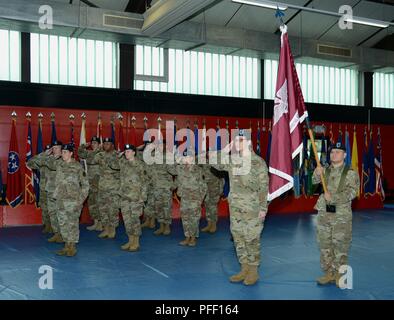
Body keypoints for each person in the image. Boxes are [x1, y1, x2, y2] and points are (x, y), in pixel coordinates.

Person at [209, 129, 269, 286]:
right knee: (238, 238)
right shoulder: (233, 160)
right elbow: (213, 162)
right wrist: (226, 149)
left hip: (252, 208)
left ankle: (253, 271)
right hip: (235, 208)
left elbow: (264, 187)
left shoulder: (258, 163)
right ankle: (244, 268)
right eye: (236, 141)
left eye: (240, 140)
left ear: (248, 142)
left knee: (252, 239)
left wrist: (263, 208)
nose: (237, 143)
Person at [312, 141, 360, 287]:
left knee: (341, 246)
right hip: (324, 214)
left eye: (338, 152)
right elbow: (314, 182)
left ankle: (341, 275)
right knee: (324, 245)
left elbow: (352, 192)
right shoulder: (325, 170)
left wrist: (334, 198)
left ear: (344, 155)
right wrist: (316, 173)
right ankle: (329, 273)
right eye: (332, 152)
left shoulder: (350, 173)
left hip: (341, 216)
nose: (334, 154)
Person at [45, 144, 89, 257]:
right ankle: (66, 245)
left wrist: (81, 200)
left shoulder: (78, 167)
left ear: (71, 153)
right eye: (62, 152)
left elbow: (85, 185)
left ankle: (72, 247)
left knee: (72, 224)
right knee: (63, 223)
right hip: (60, 199)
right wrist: (47, 154)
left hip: (73, 201)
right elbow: (44, 162)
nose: (63, 154)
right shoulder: (58, 164)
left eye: (65, 152)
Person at [109, 144, 147, 251]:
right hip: (124, 197)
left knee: (134, 220)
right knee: (127, 220)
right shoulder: (123, 163)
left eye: (129, 151)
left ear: (134, 152)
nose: (127, 153)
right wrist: (118, 155)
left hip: (136, 197)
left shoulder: (140, 165)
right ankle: (130, 240)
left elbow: (145, 182)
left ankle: (136, 242)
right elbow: (112, 164)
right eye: (125, 152)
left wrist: (142, 197)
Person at [27, 140, 64, 243]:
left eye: (57, 147)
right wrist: (43, 154)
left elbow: (54, 166)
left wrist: (45, 159)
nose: (54, 149)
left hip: (59, 191)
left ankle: (62, 233)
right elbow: (30, 162)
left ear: (61, 149)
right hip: (47, 189)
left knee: (59, 213)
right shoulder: (47, 158)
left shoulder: (64, 159)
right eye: (53, 147)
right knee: (51, 212)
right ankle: (56, 232)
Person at [169, 150, 207, 247]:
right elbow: (169, 169)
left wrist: (200, 199)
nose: (187, 159)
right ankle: (187, 237)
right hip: (184, 198)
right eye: (185, 157)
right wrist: (175, 160)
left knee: (194, 219)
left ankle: (193, 238)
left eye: (189, 157)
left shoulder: (198, 170)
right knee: (185, 218)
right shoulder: (180, 168)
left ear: (193, 158)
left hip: (195, 199)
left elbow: (203, 186)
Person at [92, 137, 120, 239]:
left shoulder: (118, 155)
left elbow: (119, 167)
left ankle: (112, 229)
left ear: (112, 145)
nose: (106, 145)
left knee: (112, 209)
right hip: (102, 187)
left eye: (108, 143)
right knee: (103, 209)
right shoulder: (100, 155)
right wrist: (97, 149)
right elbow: (92, 160)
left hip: (113, 188)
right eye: (105, 143)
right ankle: (106, 229)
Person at [144, 141, 174, 236]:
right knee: (159, 208)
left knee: (167, 207)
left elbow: (176, 172)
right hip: (156, 186)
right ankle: (161, 226)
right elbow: (148, 169)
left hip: (166, 187)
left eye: (162, 145)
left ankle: (167, 227)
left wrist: (173, 185)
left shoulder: (169, 157)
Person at [78, 136, 102, 231]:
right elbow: (79, 153)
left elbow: (93, 160)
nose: (93, 144)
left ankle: (101, 223)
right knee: (92, 202)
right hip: (90, 181)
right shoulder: (89, 153)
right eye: (92, 143)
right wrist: (84, 145)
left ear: (99, 144)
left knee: (98, 202)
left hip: (98, 181)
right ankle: (95, 222)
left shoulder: (101, 153)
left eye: (95, 143)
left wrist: (99, 149)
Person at [27, 144, 52, 234]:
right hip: (43, 189)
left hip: (53, 190)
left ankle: (55, 228)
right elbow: (29, 162)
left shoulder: (56, 162)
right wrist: (42, 155)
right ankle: (47, 226)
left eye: (50, 151)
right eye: (47, 151)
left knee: (54, 210)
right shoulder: (42, 162)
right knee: (44, 209)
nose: (49, 153)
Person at [201, 161, 224, 234]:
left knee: (213, 206)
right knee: (207, 204)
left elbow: (222, 176)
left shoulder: (216, 159)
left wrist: (221, 188)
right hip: (205, 186)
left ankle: (214, 224)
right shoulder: (202, 159)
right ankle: (209, 224)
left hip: (214, 186)